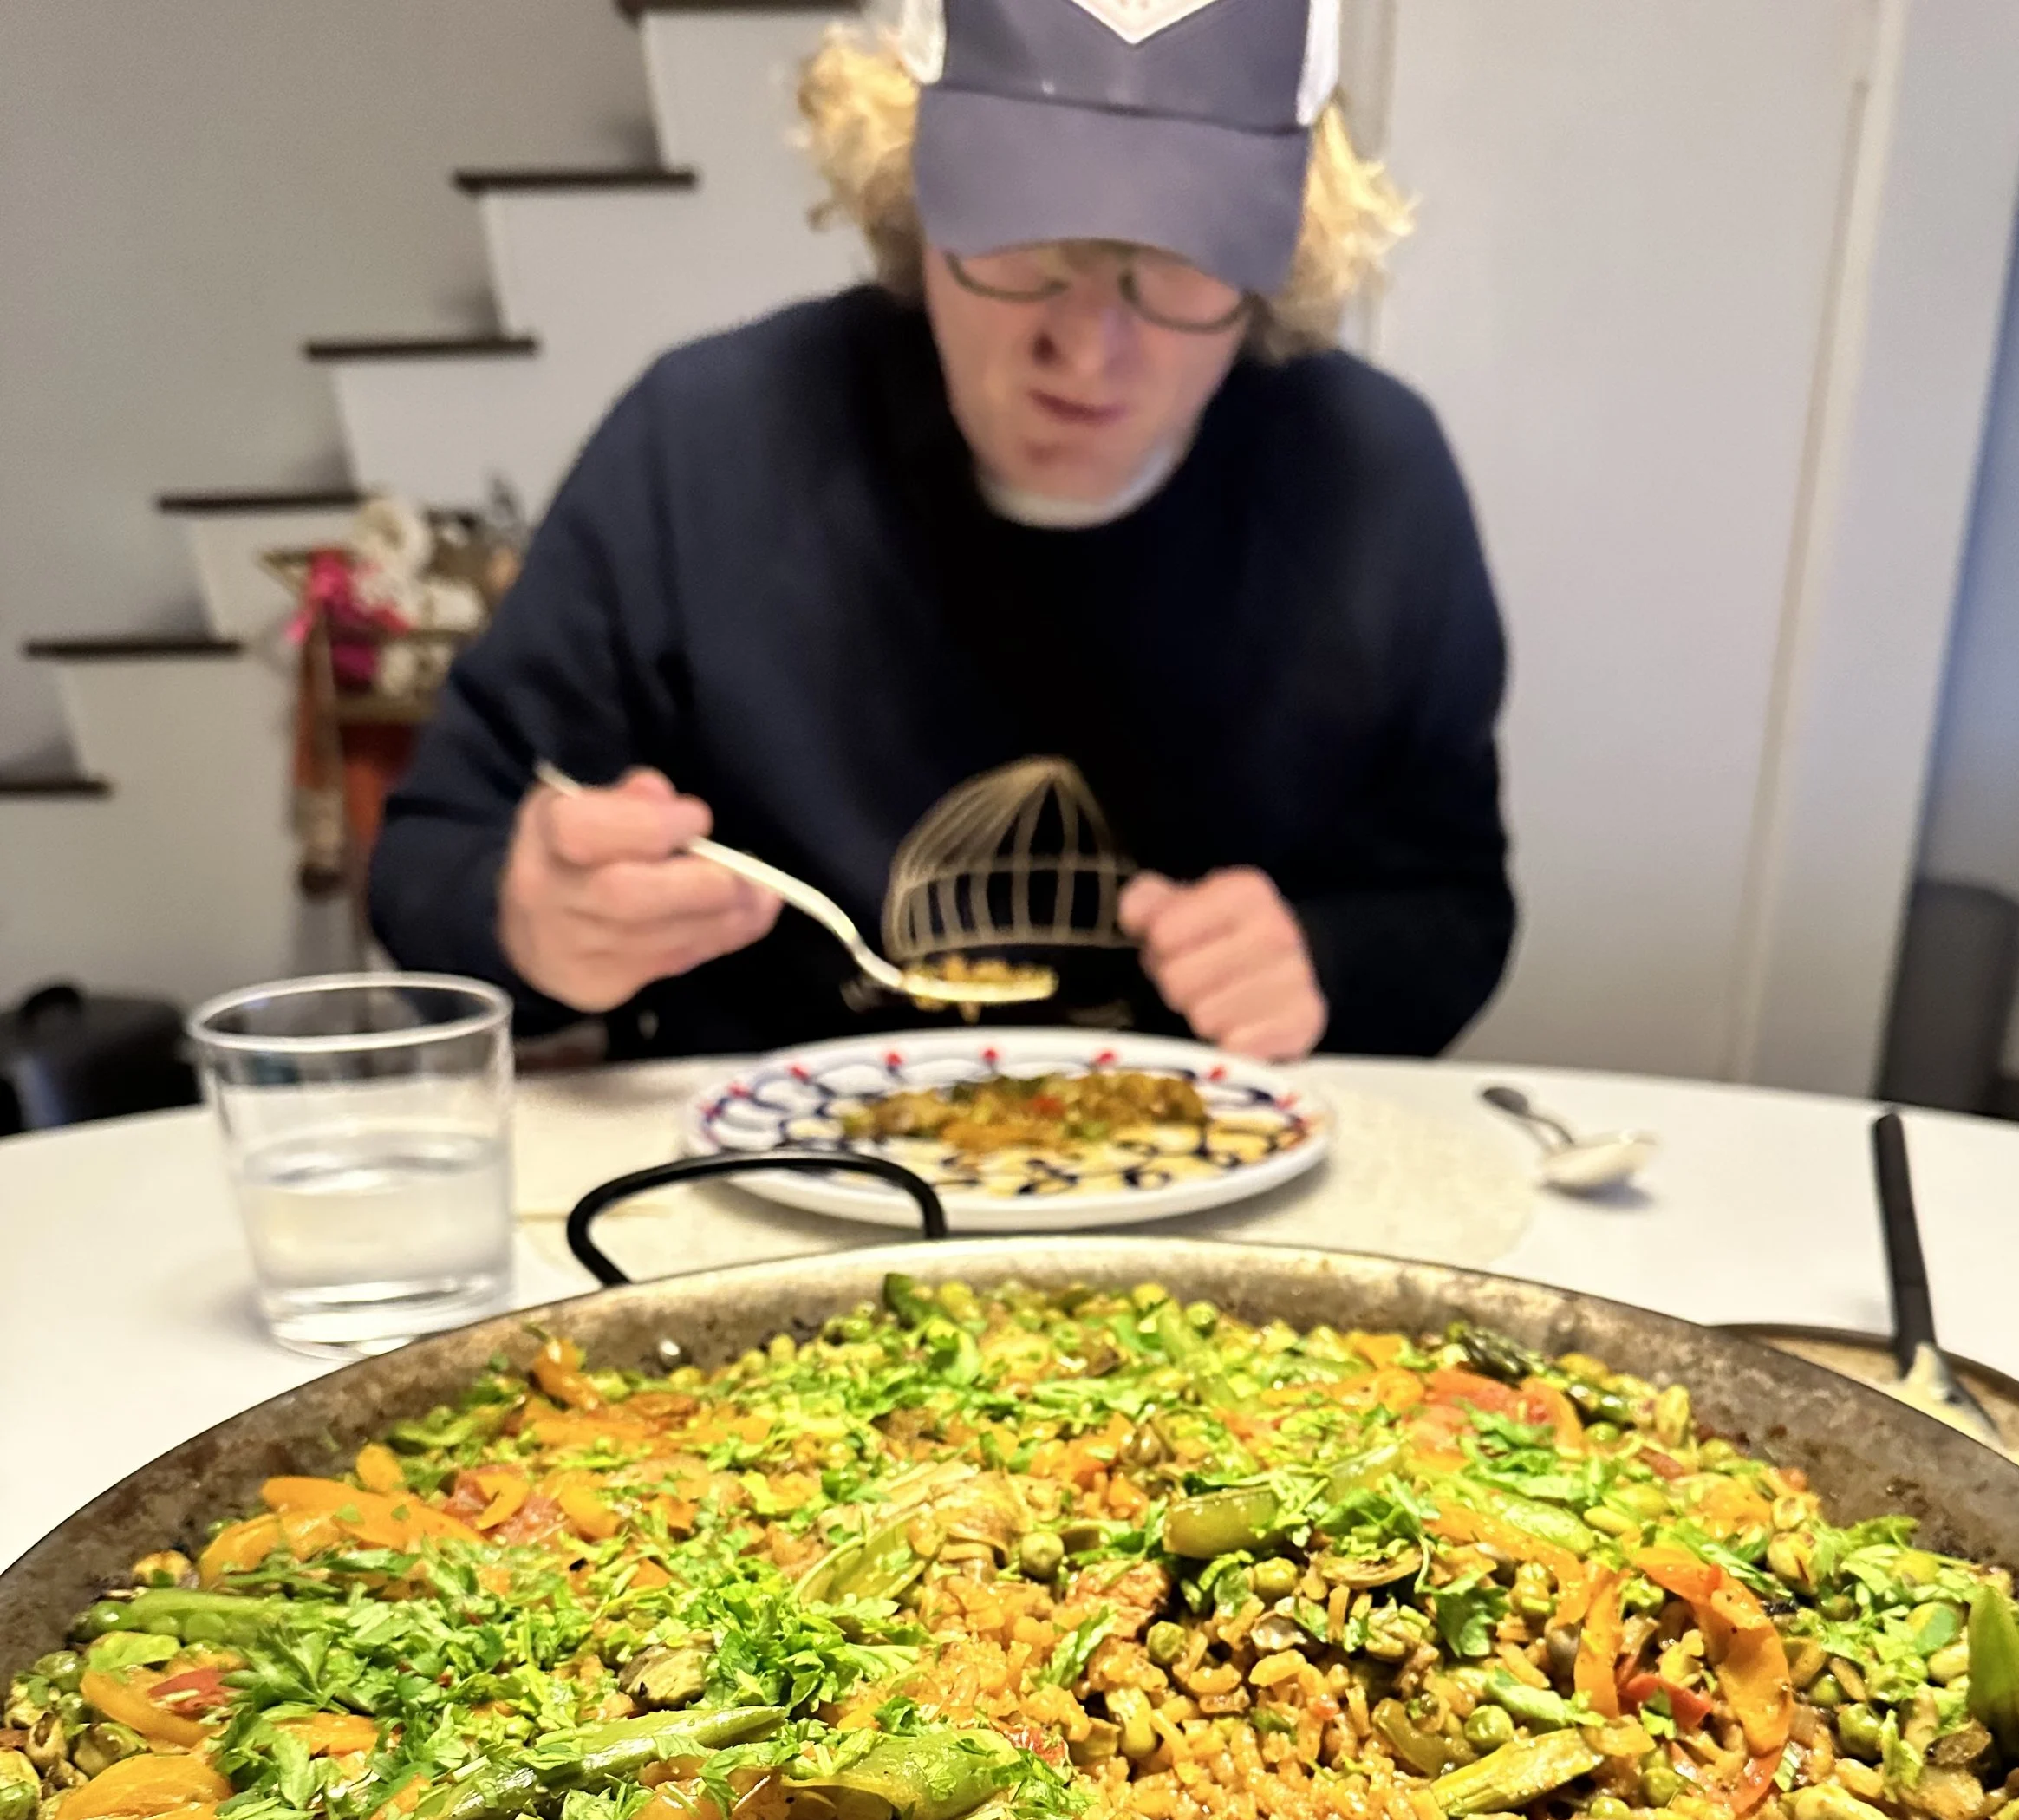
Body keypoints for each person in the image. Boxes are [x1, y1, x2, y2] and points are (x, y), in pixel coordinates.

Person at [369, 0, 1514, 1062]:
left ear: (1285, 259)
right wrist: (527, 920)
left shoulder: (1373, 479)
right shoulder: (702, 443)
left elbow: (1453, 902)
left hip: (1214, 1195)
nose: (1088, 346)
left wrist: (1327, 963)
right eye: (1022, 242)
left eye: (1176, 262)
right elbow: (431, 853)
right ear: (909, 202)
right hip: (764, 1188)